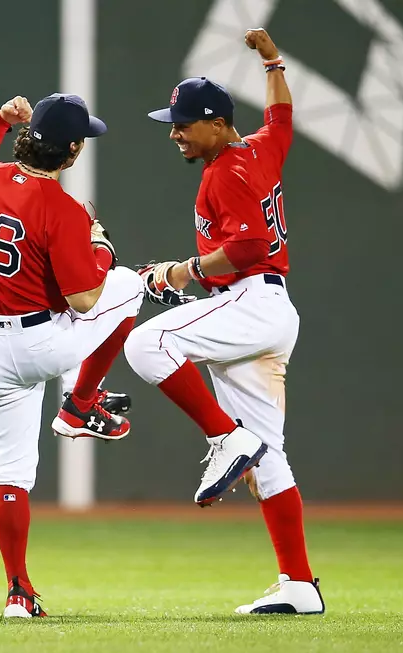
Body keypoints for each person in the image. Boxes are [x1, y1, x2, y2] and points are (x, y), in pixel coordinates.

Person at [123, 28, 324, 615]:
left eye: (184, 123)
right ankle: (299, 585)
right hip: (262, 307)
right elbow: (283, 118)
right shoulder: (259, 149)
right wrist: (273, 61)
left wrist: (181, 273)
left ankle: (224, 437)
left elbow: (248, 246)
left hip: (251, 299)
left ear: (216, 123)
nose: (176, 132)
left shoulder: (226, 171)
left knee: (147, 342)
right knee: (270, 457)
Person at [0, 93, 145, 617]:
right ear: (73, 152)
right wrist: (99, 244)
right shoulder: (61, 207)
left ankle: (18, 591)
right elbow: (86, 299)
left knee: (8, 472)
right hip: (40, 345)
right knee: (129, 284)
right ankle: (81, 404)